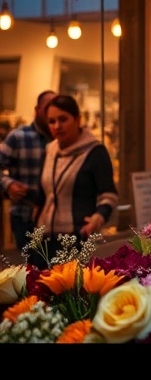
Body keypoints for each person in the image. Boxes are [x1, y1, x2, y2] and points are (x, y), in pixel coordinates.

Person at [30, 94, 118, 269]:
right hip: (44, 242)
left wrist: (97, 217)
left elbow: (109, 195)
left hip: (76, 240)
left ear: (77, 119)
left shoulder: (95, 151)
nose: (57, 126)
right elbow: (43, 193)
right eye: (52, 121)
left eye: (63, 119)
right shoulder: (49, 150)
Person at [0, 90, 57, 251]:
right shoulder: (18, 137)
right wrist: (8, 184)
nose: (51, 113)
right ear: (37, 110)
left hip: (58, 220)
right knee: (29, 271)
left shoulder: (62, 137)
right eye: (47, 108)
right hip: (25, 216)